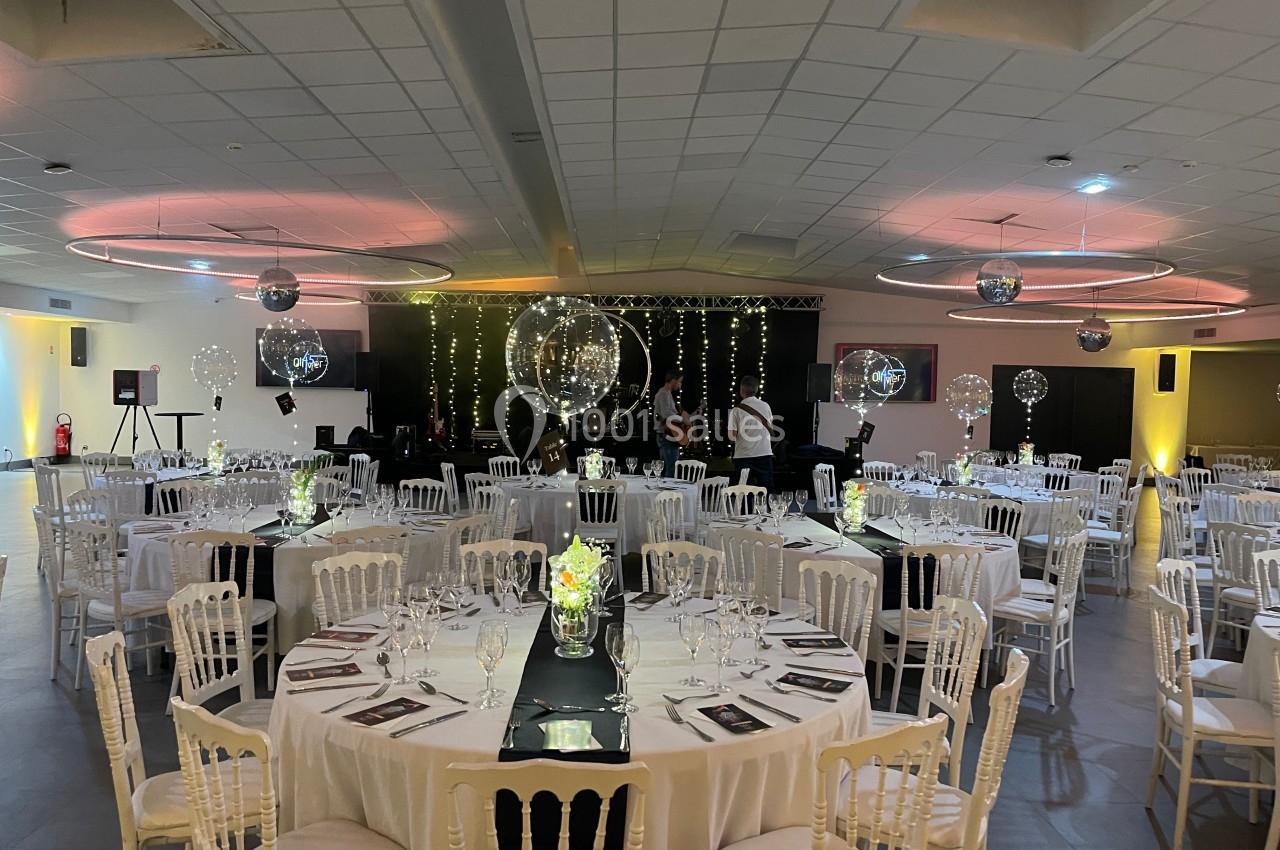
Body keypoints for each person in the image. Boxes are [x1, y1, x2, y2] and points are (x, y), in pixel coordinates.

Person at [728, 375, 776, 489]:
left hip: (743, 456)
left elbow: (731, 437)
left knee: (744, 490)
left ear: (741, 390)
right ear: (756, 389)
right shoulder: (766, 406)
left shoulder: (736, 410)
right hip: (764, 453)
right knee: (767, 488)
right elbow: (770, 426)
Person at [653, 368, 686, 478]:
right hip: (666, 436)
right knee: (670, 468)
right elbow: (666, 414)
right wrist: (683, 420)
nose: (680, 384)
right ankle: (667, 489)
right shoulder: (663, 394)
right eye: (680, 381)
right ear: (673, 380)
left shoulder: (666, 394)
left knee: (667, 468)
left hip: (666, 435)